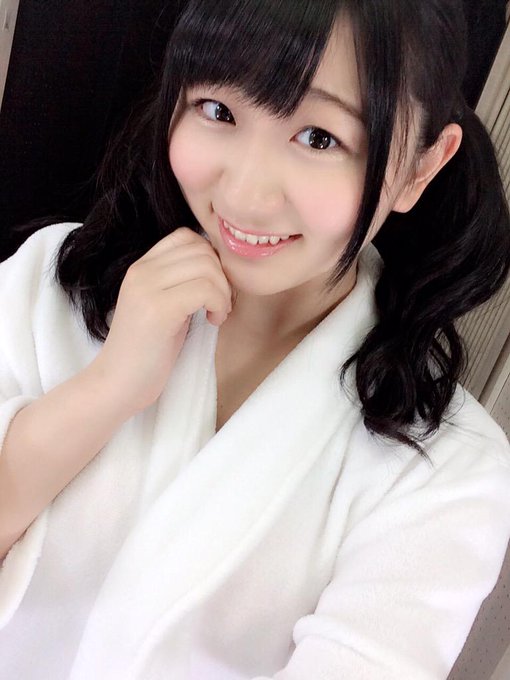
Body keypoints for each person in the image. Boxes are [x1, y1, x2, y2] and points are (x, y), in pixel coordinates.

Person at [1, 0, 509, 677]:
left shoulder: (446, 469)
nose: (243, 193)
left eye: (319, 138)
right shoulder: (52, 280)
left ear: (420, 167)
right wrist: (106, 390)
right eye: (217, 110)